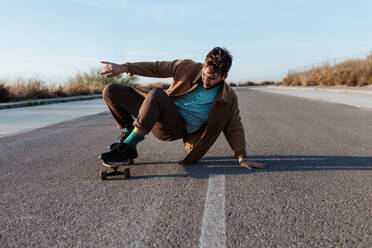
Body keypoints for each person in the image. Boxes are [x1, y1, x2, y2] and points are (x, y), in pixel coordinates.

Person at [98, 47, 266, 170]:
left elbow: (234, 127)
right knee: (111, 91)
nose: (206, 81)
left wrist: (241, 157)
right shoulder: (187, 67)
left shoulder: (228, 98)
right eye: (205, 75)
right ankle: (128, 141)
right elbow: (157, 67)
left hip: (174, 127)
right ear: (203, 68)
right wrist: (125, 67)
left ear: (224, 76)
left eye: (212, 78)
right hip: (157, 110)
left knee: (157, 94)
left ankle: (125, 149)